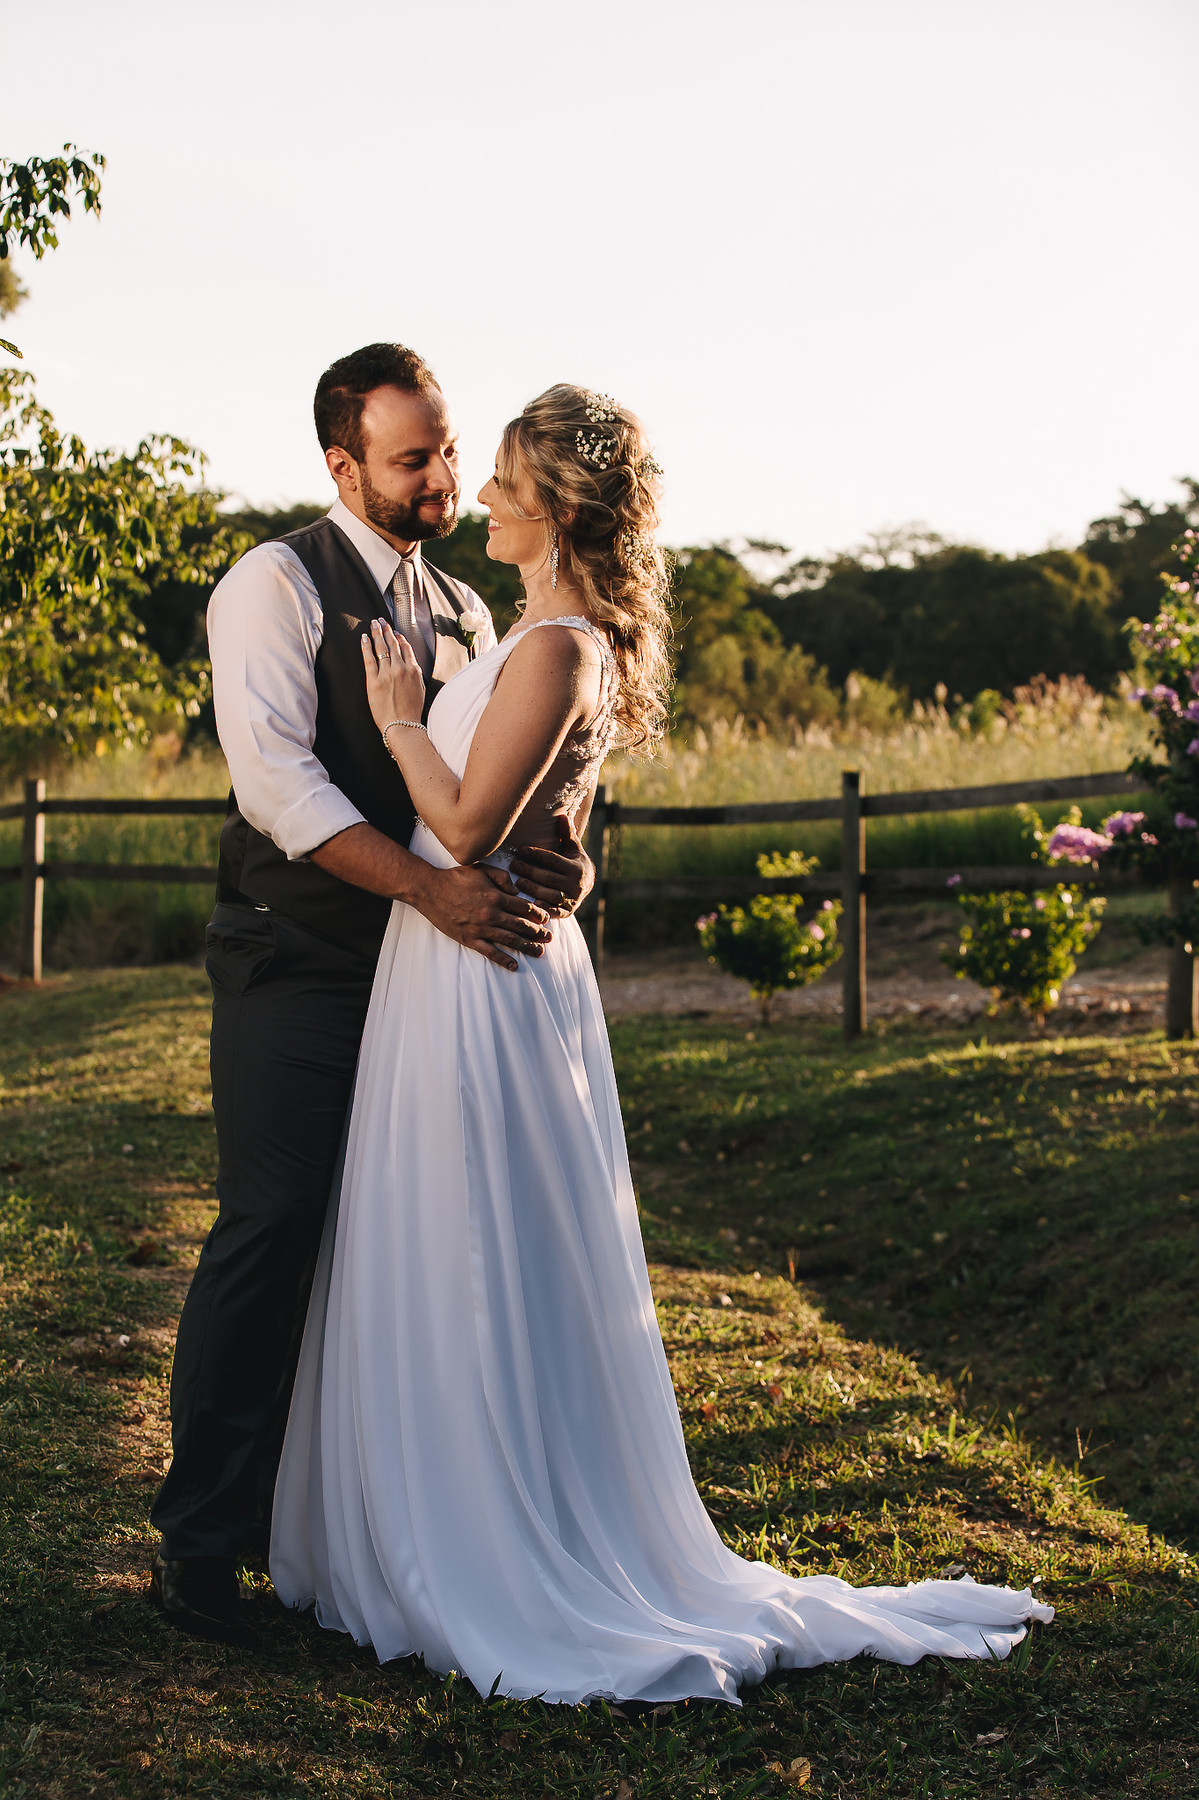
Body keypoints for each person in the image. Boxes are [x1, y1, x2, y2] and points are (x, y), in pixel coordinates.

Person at [269, 384, 1052, 1704]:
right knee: (432, 1231)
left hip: (485, 977)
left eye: (509, 476)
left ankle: (505, 1538)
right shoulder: (528, 634)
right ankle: (419, 1520)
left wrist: (399, 715)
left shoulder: (562, 644)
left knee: (486, 1242)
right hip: (450, 961)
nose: (487, 495)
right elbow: (547, 815)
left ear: (559, 504)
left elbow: (464, 829)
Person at [149, 346, 592, 1646]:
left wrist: (555, 860)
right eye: (415, 460)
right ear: (340, 466)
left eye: (450, 451)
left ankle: (358, 1539)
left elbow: (509, 774)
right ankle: (200, 1547)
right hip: (299, 956)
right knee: (274, 1221)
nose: (445, 477)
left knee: (399, 1243)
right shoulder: (272, 586)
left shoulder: (465, 605)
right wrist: (425, 890)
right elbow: (279, 790)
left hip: (432, 974)